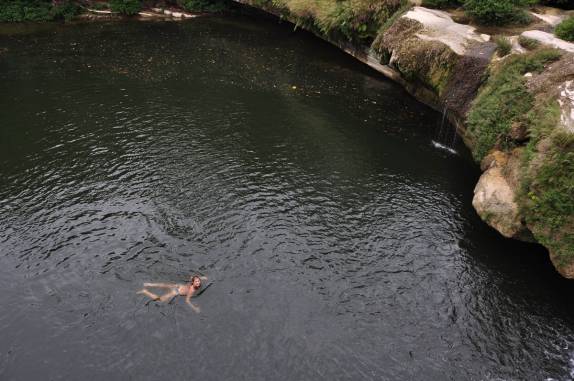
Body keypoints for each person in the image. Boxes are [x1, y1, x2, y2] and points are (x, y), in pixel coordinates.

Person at [137, 275, 207, 312]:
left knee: (164, 285)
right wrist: (194, 308)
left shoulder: (191, 282)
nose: (198, 283)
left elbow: (192, 277)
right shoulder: (192, 290)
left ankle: (150, 284)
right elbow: (187, 300)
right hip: (176, 291)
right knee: (160, 299)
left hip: (178, 285)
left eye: (199, 281)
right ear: (193, 282)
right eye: (196, 281)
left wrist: (202, 278)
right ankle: (145, 291)